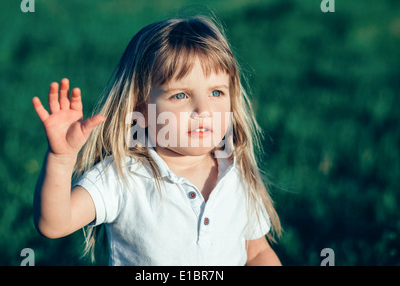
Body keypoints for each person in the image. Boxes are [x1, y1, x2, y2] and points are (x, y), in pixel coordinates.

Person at [32, 15, 282, 266]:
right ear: (141, 109)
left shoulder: (236, 173)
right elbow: (54, 224)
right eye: (181, 95)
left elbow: (257, 253)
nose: (203, 110)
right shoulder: (122, 176)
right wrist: (61, 159)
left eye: (216, 92)